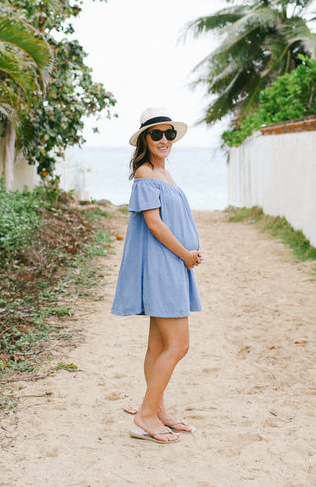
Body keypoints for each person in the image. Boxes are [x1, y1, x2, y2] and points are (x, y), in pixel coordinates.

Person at [111, 107, 203, 444]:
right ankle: (145, 415)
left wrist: (187, 255)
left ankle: (158, 410)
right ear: (144, 140)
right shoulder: (145, 174)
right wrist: (185, 254)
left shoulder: (163, 173)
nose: (164, 140)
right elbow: (154, 224)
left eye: (169, 134)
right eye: (156, 134)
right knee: (179, 346)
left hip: (172, 265)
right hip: (164, 266)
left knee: (159, 344)